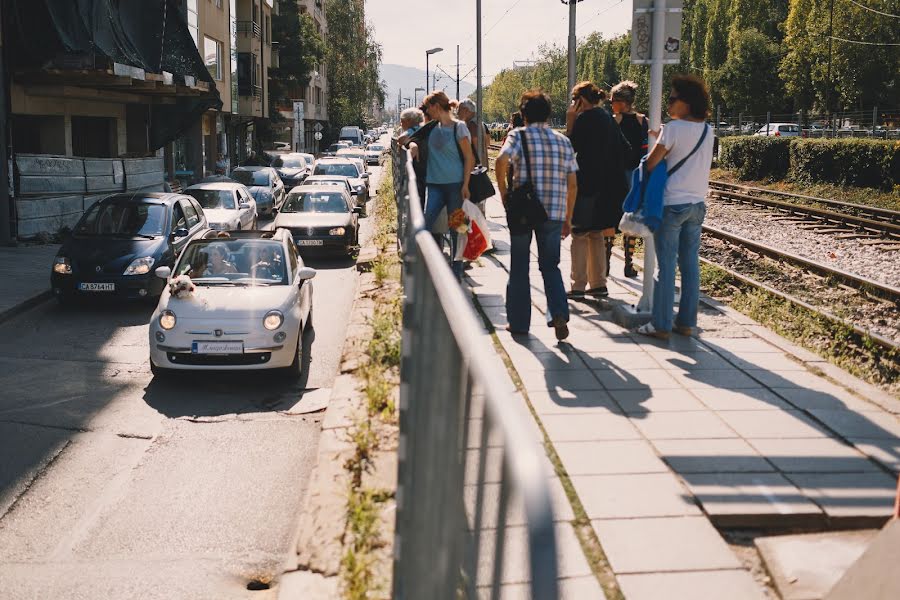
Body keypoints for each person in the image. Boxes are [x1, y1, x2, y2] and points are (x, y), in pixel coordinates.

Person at [495, 90, 578, 341]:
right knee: (550, 265)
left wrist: (504, 193)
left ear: (523, 114)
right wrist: (568, 217)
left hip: (523, 209)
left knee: (519, 266)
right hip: (553, 213)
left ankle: (519, 323)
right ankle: (559, 313)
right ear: (549, 114)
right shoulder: (563, 141)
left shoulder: (518, 135)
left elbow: (501, 161)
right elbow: (573, 183)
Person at [636, 74, 714, 340]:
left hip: (672, 206)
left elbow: (650, 164)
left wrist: (657, 140)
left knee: (666, 265)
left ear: (687, 102)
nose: (669, 104)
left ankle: (660, 324)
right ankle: (687, 323)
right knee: (691, 265)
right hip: (697, 204)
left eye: (672, 99)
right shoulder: (708, 130)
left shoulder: (672, 129)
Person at [565, 81, 629, 299]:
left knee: (580, 234)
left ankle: (578, 285)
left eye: (575, 100)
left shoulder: (583, 120)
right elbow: (626, 150)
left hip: (586, 185)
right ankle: (599, 284)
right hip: (608, 187)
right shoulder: (607, 119)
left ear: (581, 100)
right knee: (596, 235)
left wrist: (570, 122)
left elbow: (569, 148)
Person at [406, 90, 476, 279]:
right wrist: (412, 146)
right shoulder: (431, 127)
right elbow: (408, 139)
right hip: (434, 185)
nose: (426, 112)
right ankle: (426, 266)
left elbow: (469, 157)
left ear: (436, 107)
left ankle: (457, 268)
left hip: (455, 185)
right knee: (425, 224)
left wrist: (466, 185)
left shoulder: (459, 128)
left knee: (457, 228)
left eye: (428, 108)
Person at [611, 80, 648, 278]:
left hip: (618, 173)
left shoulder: (614, 120)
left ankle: (607, 261)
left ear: (622, 102)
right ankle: (628, 262)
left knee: (612, 215)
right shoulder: (643, 121)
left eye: (613, 100)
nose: (610, 103)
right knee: (630, 217)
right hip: (636, 173)